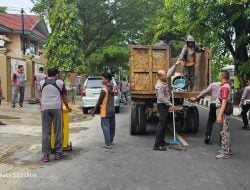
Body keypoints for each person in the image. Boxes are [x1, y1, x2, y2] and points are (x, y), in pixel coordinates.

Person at [40, 68, 71, 162]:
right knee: (58, 131)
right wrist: (67, 106)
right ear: (56, 74)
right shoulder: (60, 83)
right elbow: (64, 96)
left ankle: (46, 155)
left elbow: (40, 95)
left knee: (46, 132)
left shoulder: (41, 82)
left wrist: (41, 106)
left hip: (45, 108)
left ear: (47, 74)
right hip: (56, 108)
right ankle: (58, 153)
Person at [153, 60, 180, 151]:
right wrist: (170, 104)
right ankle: (157, 145)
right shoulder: (159, 85)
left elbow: (169, 72)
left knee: (164, 124)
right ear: (160, 77)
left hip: (165, 105)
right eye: (165, 75)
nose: (166, 76)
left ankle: (162, 141)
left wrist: (175, 64)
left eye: (165, 75)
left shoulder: (163, 79)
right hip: (162, 105)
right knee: (161, 125)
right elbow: (161, 98)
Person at [92, 73, 115, 149]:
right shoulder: (112, 88)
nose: (102, 80)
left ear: (107, 80)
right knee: (112, 127)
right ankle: (110, 141)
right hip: (112, 110)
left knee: (105, 127)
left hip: (105, 111)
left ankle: (108, 144)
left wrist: (94, 111)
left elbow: (99, 101)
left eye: (103, 79)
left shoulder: (104, 89)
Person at [216, 70, 232, 159]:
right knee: (225, 131)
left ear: (222, 76)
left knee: (224, 132)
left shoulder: (225, 87)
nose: (218, 76)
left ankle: (225, 153)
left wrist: (219, 115)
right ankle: (227, 149)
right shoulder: (225, 86)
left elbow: (224, 101)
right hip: (225, 111)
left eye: (219, 75)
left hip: (224, 112)